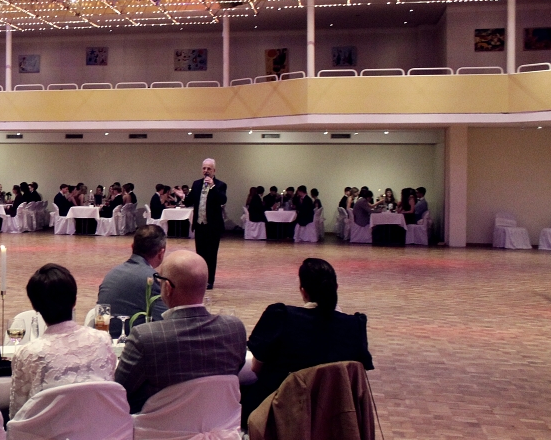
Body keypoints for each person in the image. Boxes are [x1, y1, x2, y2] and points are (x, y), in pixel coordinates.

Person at [240, 258, 373, 424]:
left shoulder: (281, 317)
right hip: (334, 416)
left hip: (278, 413)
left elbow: (256, 368)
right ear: (336, 288)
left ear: (303, 291)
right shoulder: (354, 326)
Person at [114, 251, 247, 413]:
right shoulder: (234, 329)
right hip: (219, 424)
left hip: (156, 427)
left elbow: (118, 390)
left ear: (168, 288)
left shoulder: (146, 337)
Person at [10, 264, 116, 418]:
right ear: (75, 301)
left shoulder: (27, 354)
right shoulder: (103, 340)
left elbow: (17, 413)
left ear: (35, 307)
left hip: (46, 433)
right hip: (101, 429)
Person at [97, 225, 169, 336]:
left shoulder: (112, 273)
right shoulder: (151, 279)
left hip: (102, 335)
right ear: (161, 253)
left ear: (132, 247)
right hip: (129, 340)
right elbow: (165, 320)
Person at [183, 157, 226, 290]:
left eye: (209, 168)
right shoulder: (196, 184)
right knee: (200, 254)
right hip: (199, 225)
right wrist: (182, 196)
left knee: (211, 255)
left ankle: (209, 281)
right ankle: (200, 279)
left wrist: (212, 186)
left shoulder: (220, 185)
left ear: (214, 171)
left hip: (213, 226)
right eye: (204, 168)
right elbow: (189, 201)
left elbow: (222, 200)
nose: (206, 171)